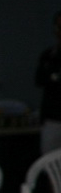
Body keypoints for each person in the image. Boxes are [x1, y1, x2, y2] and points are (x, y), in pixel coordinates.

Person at [36, 10, 61, 155]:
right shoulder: (48, 55)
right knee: (50, 164)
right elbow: (40, 80)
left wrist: (54, 78)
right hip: (52, 118)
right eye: (57, 27)